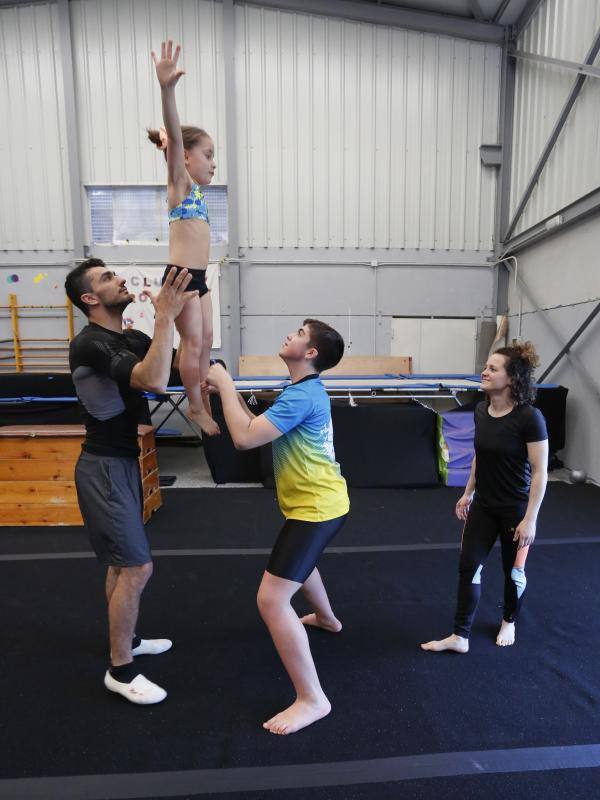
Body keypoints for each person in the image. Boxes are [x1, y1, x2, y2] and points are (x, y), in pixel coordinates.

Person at [205, 320, 349, 735]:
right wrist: (228, 394)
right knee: (302, 564)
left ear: (312, 353)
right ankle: (326, 619)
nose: (291, 333)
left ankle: (312, 699)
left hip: (316, 510)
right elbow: (258, 426)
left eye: (301, 333)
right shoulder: (299, 392)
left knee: (271, 600)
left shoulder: (302, 395)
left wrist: (226, 385)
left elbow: (245, 439)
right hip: (322, 504)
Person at [66, 258, 197, 704]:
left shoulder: (131, 338)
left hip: (122, 464)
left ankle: (128, 640)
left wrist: (193, 297)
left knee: (122, 565)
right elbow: (154, 380)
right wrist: (164, 315)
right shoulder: (91, 343)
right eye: (106, 278)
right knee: (138, 567)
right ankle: (120, 671)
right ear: (89, 298)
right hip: (103, 467)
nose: (119, 278)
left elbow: (183, 365)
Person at [421, 341, 548, 653]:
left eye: (493, 368)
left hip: (516, 509)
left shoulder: (529, 418)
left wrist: (530, 519)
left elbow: (540, 471)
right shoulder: (481, 410)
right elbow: (481, 455)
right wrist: (468, 493)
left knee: (513, 571)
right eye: (486, 367)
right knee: (469, 566)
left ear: (512, 378)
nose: (484, 372)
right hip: (484, 506)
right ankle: (460, 636)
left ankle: (509, 619)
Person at [148, 39, 219, 436]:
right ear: (185, 157)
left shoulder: (197, 194)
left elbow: (173, 141)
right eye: (208, 154)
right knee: (192, 344)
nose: (213, 162)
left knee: (207, 339)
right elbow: (174, 137)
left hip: (199, 278)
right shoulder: (180, 184)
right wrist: (167, 89)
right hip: (181, 276)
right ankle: (194, 405)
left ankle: (201, 395)